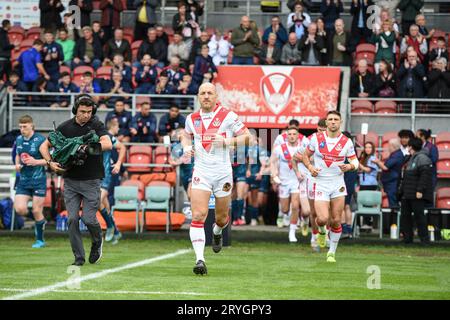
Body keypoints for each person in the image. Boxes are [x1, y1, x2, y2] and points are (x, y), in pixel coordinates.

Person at [180, 82, 250, 275]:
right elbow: (185, 136)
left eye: (210, 93)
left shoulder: (227, 115)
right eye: (203, 93)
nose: (206, 96)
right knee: (198, 215)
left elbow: (247, 137)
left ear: (216, 96)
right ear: (198, 97)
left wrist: (228, 141)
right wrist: (186, 147)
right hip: (201, 172)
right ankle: (200, 259)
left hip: (223, 173)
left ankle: (218, 231)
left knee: (220, 218)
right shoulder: (192, 118)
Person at [40, 94, 113, 266]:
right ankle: (78, 257)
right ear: (75, 111)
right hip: (71, 180)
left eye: (89, 111)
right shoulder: (65, 127)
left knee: (88, 219)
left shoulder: (96, 125)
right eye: (82, 111)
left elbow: (108, 144)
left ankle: (97, 241)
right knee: (72, 219)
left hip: (91, 180)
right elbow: (43, 145)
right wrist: (50, 162)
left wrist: (86, 148)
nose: (86, 115)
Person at [302, 111, 359, 262]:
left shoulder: (346, 142)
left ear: (340, 122)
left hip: (338, 184)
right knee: (321, 218)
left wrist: (350, 166)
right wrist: (310, 168)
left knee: (335, 220)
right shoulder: (316, 138)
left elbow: (356, 161)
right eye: (330, 119)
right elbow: (304, 156)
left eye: (336, 120)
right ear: (326, 122)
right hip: (320, 182)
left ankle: (331, 252)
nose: (333, 122)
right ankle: (321, 231)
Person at [13, 115, 48, 248]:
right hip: (23, 180)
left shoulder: (40, 140)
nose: (22, 129)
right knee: (20, 209)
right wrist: (17, 165)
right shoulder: (19, 139)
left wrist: (35, 161)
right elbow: (18, 155)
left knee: (36, 209)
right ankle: (40, 221)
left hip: (38, 180)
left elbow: (49, 161)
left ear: (32, 126)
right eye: (20, 127)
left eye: (25, 126)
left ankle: (40, 240)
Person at [271, 126, 304, 242]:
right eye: (289, 134)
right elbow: (273, 163)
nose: (292, 136)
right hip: (284, 181)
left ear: (298, 136)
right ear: (286, 136)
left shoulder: (302, 148)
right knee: (285, 209)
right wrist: (274, 176)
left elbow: (309, 162)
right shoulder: (279, 149)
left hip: (297, 181)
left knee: (295, 206)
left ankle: (292, 232)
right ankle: (286, 216)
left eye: (294, 134)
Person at [398, 137, 431, 244]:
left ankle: (424, 239)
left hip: (416, 193)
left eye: (408, 146)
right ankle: (407, 238)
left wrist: (420, 190)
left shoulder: (422, 158)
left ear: (411, 146)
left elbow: (424, 176)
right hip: (407, 193)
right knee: (405, 217)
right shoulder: (410, 158)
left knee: (419, 216)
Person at [99, 118, 126, 244]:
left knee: (97, 201)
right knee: (105, 206)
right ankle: (115, 231)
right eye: (117, 127)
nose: (118, 129)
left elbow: (123, 147)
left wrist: (118, 164)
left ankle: (109, 226)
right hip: (93, 176)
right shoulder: (89, 137)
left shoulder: (108, 137)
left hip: (105, 175)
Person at [246, 133, 271, 226]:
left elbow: (265, 164)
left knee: (256, 199)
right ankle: (249, 218)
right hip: (248, 176)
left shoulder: (260, 150)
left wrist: (260, 173)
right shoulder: (248, 150)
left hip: (256, 177)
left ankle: (255, 218)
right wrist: (248, 170)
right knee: (249, 199)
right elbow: (248, 162)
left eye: (253, 139)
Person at [372, 138, 404, 208]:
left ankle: (394, 218)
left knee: (393, 203)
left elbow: (385, 167)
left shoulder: (397, 155)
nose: (388, 148)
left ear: (393, 146)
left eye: (389, 146)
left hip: (392, 182)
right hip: (390, 182)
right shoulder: (395, 154)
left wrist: (377, 161)